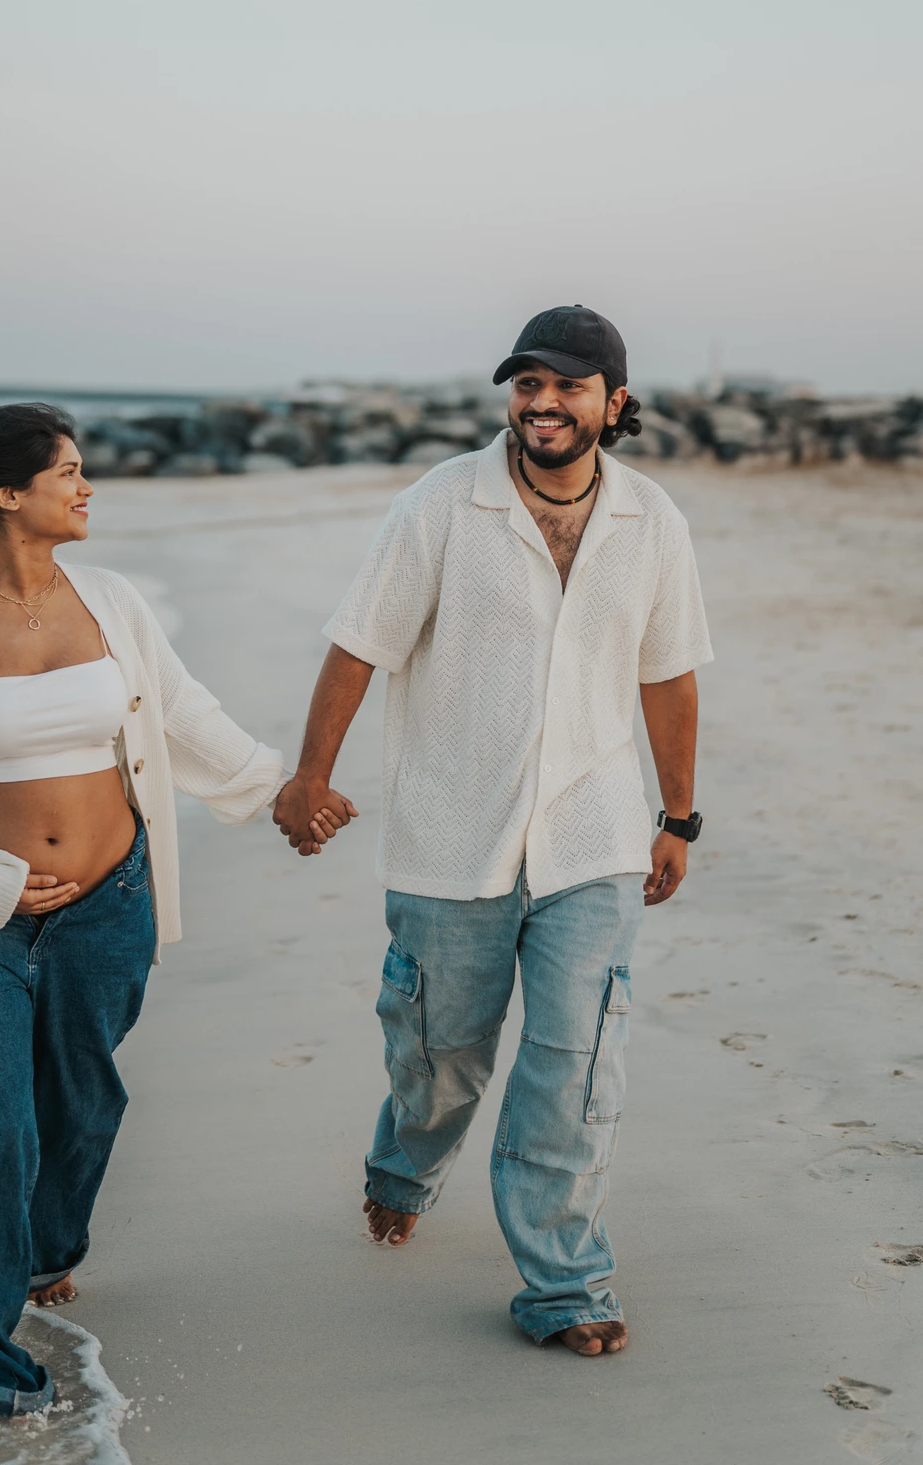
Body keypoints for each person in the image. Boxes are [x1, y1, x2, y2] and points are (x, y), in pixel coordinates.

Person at [274, 305, 712, 1357]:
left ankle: (566, 1288)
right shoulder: (441, 504)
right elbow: (357, 647)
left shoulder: (652, 522)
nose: (542, 403)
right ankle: (402, 1168)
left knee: (572, 1064)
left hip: (594, 838)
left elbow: (668, 675)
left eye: (565, 387)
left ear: (612, 403)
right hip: (448, 836)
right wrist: (307, 780)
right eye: (526, 384)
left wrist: (677, 818)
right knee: (440, 1061)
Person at [0, 403, 291, 1416]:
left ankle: (48, 1247)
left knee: (83, 1105)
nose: (84, 485)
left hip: (108, 907)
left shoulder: (110, 600)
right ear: (4, 492)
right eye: (65, 472)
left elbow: (179, 713)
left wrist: (276, 787)